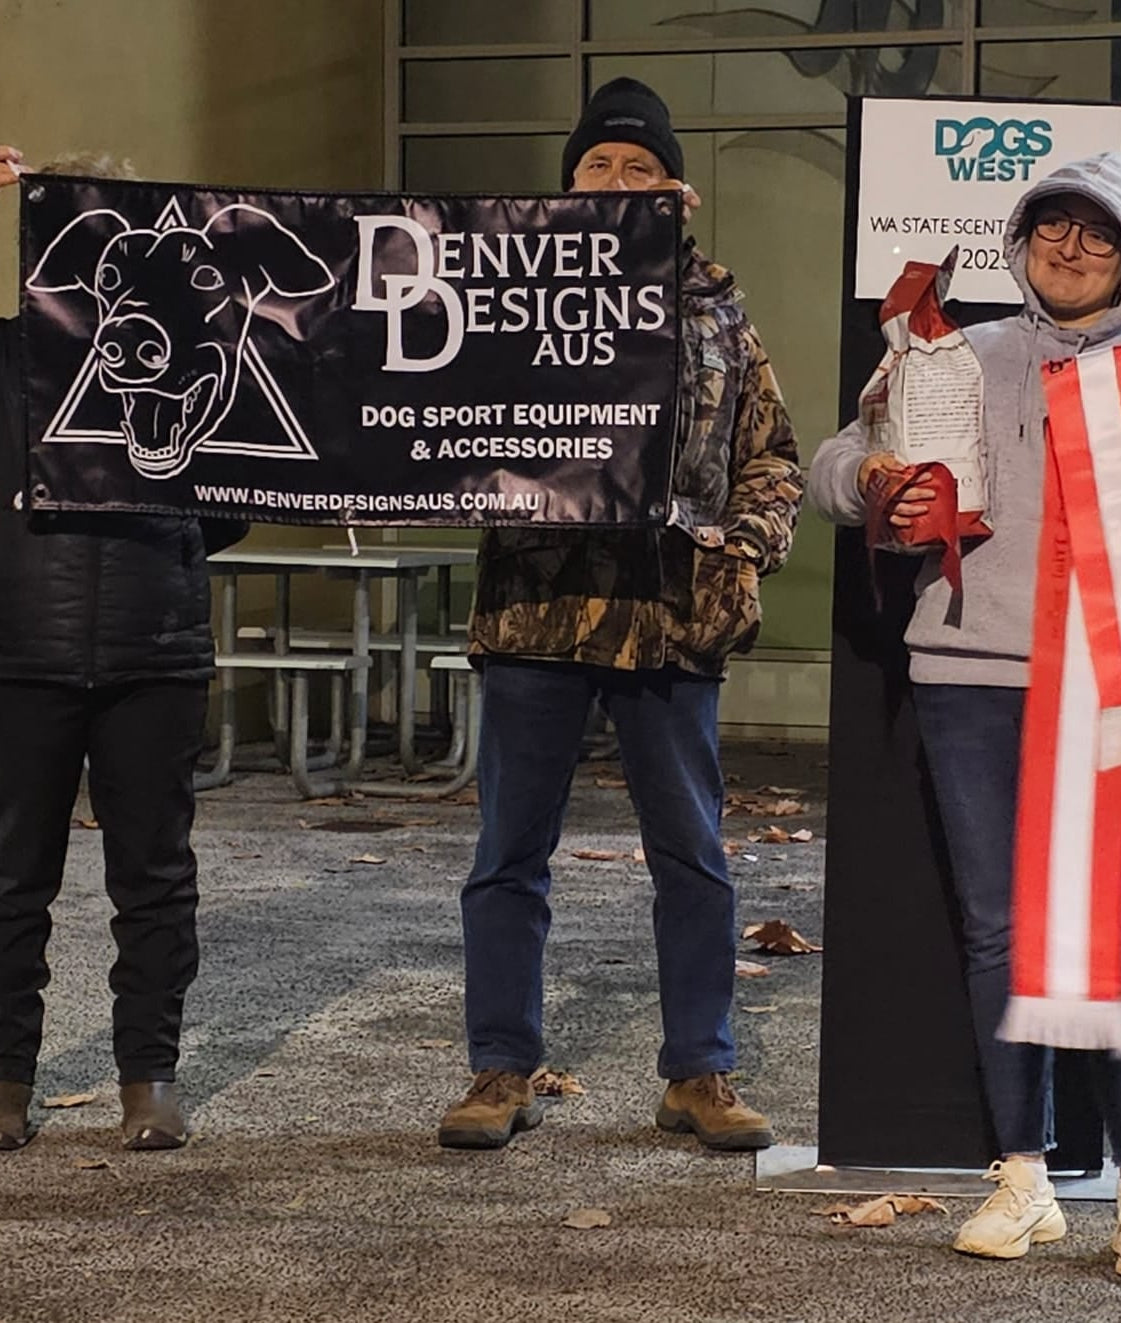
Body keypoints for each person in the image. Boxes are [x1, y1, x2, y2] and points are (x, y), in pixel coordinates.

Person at [809, 152, 1121, 1278]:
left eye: (1095, 234)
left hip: (1103, 675)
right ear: (1021, 240)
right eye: (1050, 227)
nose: (1068, 249)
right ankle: (1022, 1178)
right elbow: (843, 456)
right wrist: (869, 483)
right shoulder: (962, 351)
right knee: (999, 929)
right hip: (966, 672)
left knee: (1115, 938)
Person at [438, 79, 801, 1152]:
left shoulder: (718, 314)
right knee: (509, 854)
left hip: (670, 618)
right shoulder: (500, 307)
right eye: (599, 167)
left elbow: (769, 456)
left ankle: (700, 1072)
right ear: (564, 190)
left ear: (676, 190)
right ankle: (500, 1068)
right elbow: (432, 427)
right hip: (536, 617)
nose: (619, 182)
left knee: (693, 856)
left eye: (641, 169)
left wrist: (743, 553)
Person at [0, 145, 245, 1151]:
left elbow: (238, 503)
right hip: (14, 650)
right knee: (6, 879)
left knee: (156, 879)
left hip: (153, 648)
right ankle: (0, 1081)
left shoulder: (202, 363)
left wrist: (159, 519)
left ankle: (148, 1078)